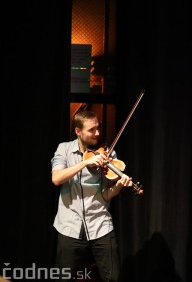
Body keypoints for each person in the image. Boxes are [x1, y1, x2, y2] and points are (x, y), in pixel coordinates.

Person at [51, 109, 133, 282]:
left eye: (98, 128)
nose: (97, 133)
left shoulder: (107, 154)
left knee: (114, 278)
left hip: (101, 225)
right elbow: (56, 178)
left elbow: (107, 194)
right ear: (78, 131)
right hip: (70, 227)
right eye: (91, 130)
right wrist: (84, 163)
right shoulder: (64, 150)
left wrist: (119, 185)